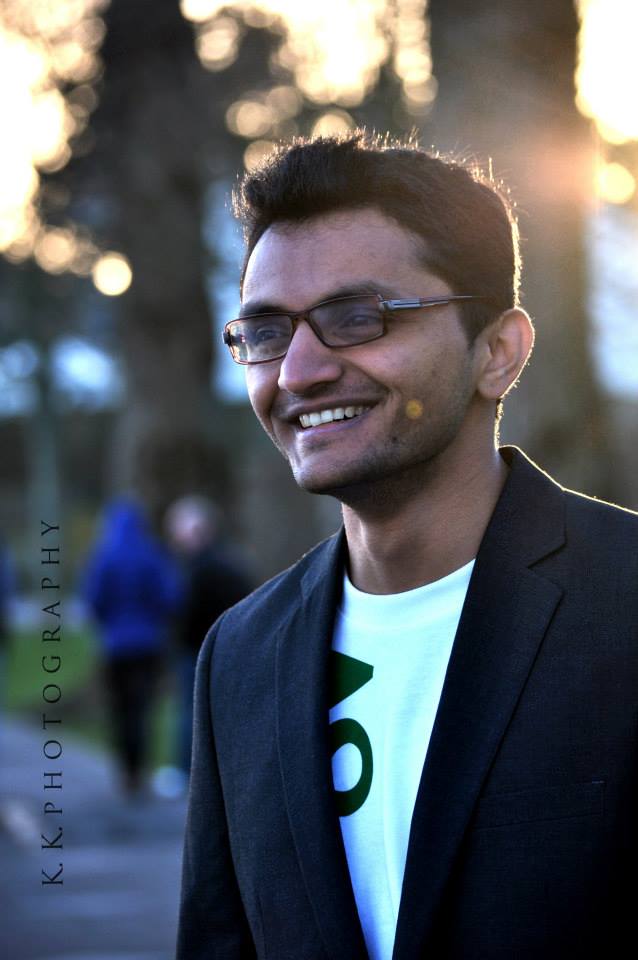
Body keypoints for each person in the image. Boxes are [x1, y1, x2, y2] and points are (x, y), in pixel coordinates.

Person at [177, 134, 638, 959]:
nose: (299, 372)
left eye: (358, 318)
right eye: (266, 331)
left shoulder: (626, 602)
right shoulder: (240, 657)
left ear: (497, 352)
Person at [83, 497, 182, 794]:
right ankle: (141, 768)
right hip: (147, 644)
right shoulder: (151, 554)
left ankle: (125, 771)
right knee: (143, 707)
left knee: (119, 708)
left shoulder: (103, 556)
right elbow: (170, 596)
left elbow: (93, 599)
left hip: (114, 646)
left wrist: (107, 624)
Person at [165, 494, 253, 777]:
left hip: (201, 650)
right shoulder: (226, 563)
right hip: (218, 649)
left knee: (192, 713)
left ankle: (187, 771)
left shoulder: (202, 569)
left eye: (180, 529)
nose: (176, 537)